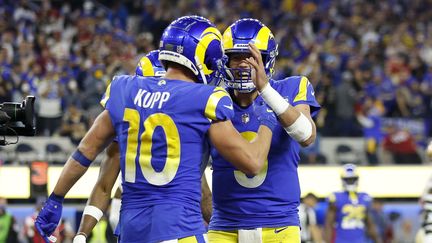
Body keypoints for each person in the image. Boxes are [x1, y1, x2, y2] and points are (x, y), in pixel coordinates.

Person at [37, 15, 276, 243]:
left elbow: (84, 151)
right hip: (181, 229)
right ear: (204, 57)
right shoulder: (206, 99)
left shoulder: (125, 90)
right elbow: (252, 162)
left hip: (132, 233)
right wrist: (267, 118)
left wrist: (56, 198)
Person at [207, 18, 320, 243]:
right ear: (224, 61)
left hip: (279, 225)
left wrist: (266, 90)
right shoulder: (213, 98)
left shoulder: (291, 87)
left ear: (268, 60)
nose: (244, 64)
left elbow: (307, 136)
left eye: (252, 57)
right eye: (236, 57)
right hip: (225, 227)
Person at [35, 49, 166, 242]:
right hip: (161, 224)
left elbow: (86, 150)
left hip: (157, 223)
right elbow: (104, 184)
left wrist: (56, 198)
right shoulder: (194, 106)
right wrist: (81, 235)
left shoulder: (125, 99)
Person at [324, 164, 381, 243]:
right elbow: (328, 224)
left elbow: (370, 224)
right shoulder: (335, 197)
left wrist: (377, 240)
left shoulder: (364, 197)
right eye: (348, 179)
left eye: (353, 179)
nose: (350, 182)